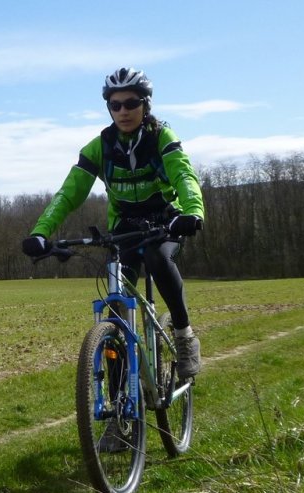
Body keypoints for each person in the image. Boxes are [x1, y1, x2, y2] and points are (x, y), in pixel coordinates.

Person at [21, 67, 205, 379]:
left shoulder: (162, 138)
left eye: (131, 103)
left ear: (146, 104)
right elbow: (69, 193)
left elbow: (183, 175)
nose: (123, 111)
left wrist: (193, 212)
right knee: (116, 317)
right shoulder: (101, 146)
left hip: (165, 222)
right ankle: (118, 416)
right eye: (115, 105)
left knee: (159, 259)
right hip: (125, 227)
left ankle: (184, 335)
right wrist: (41, 232)